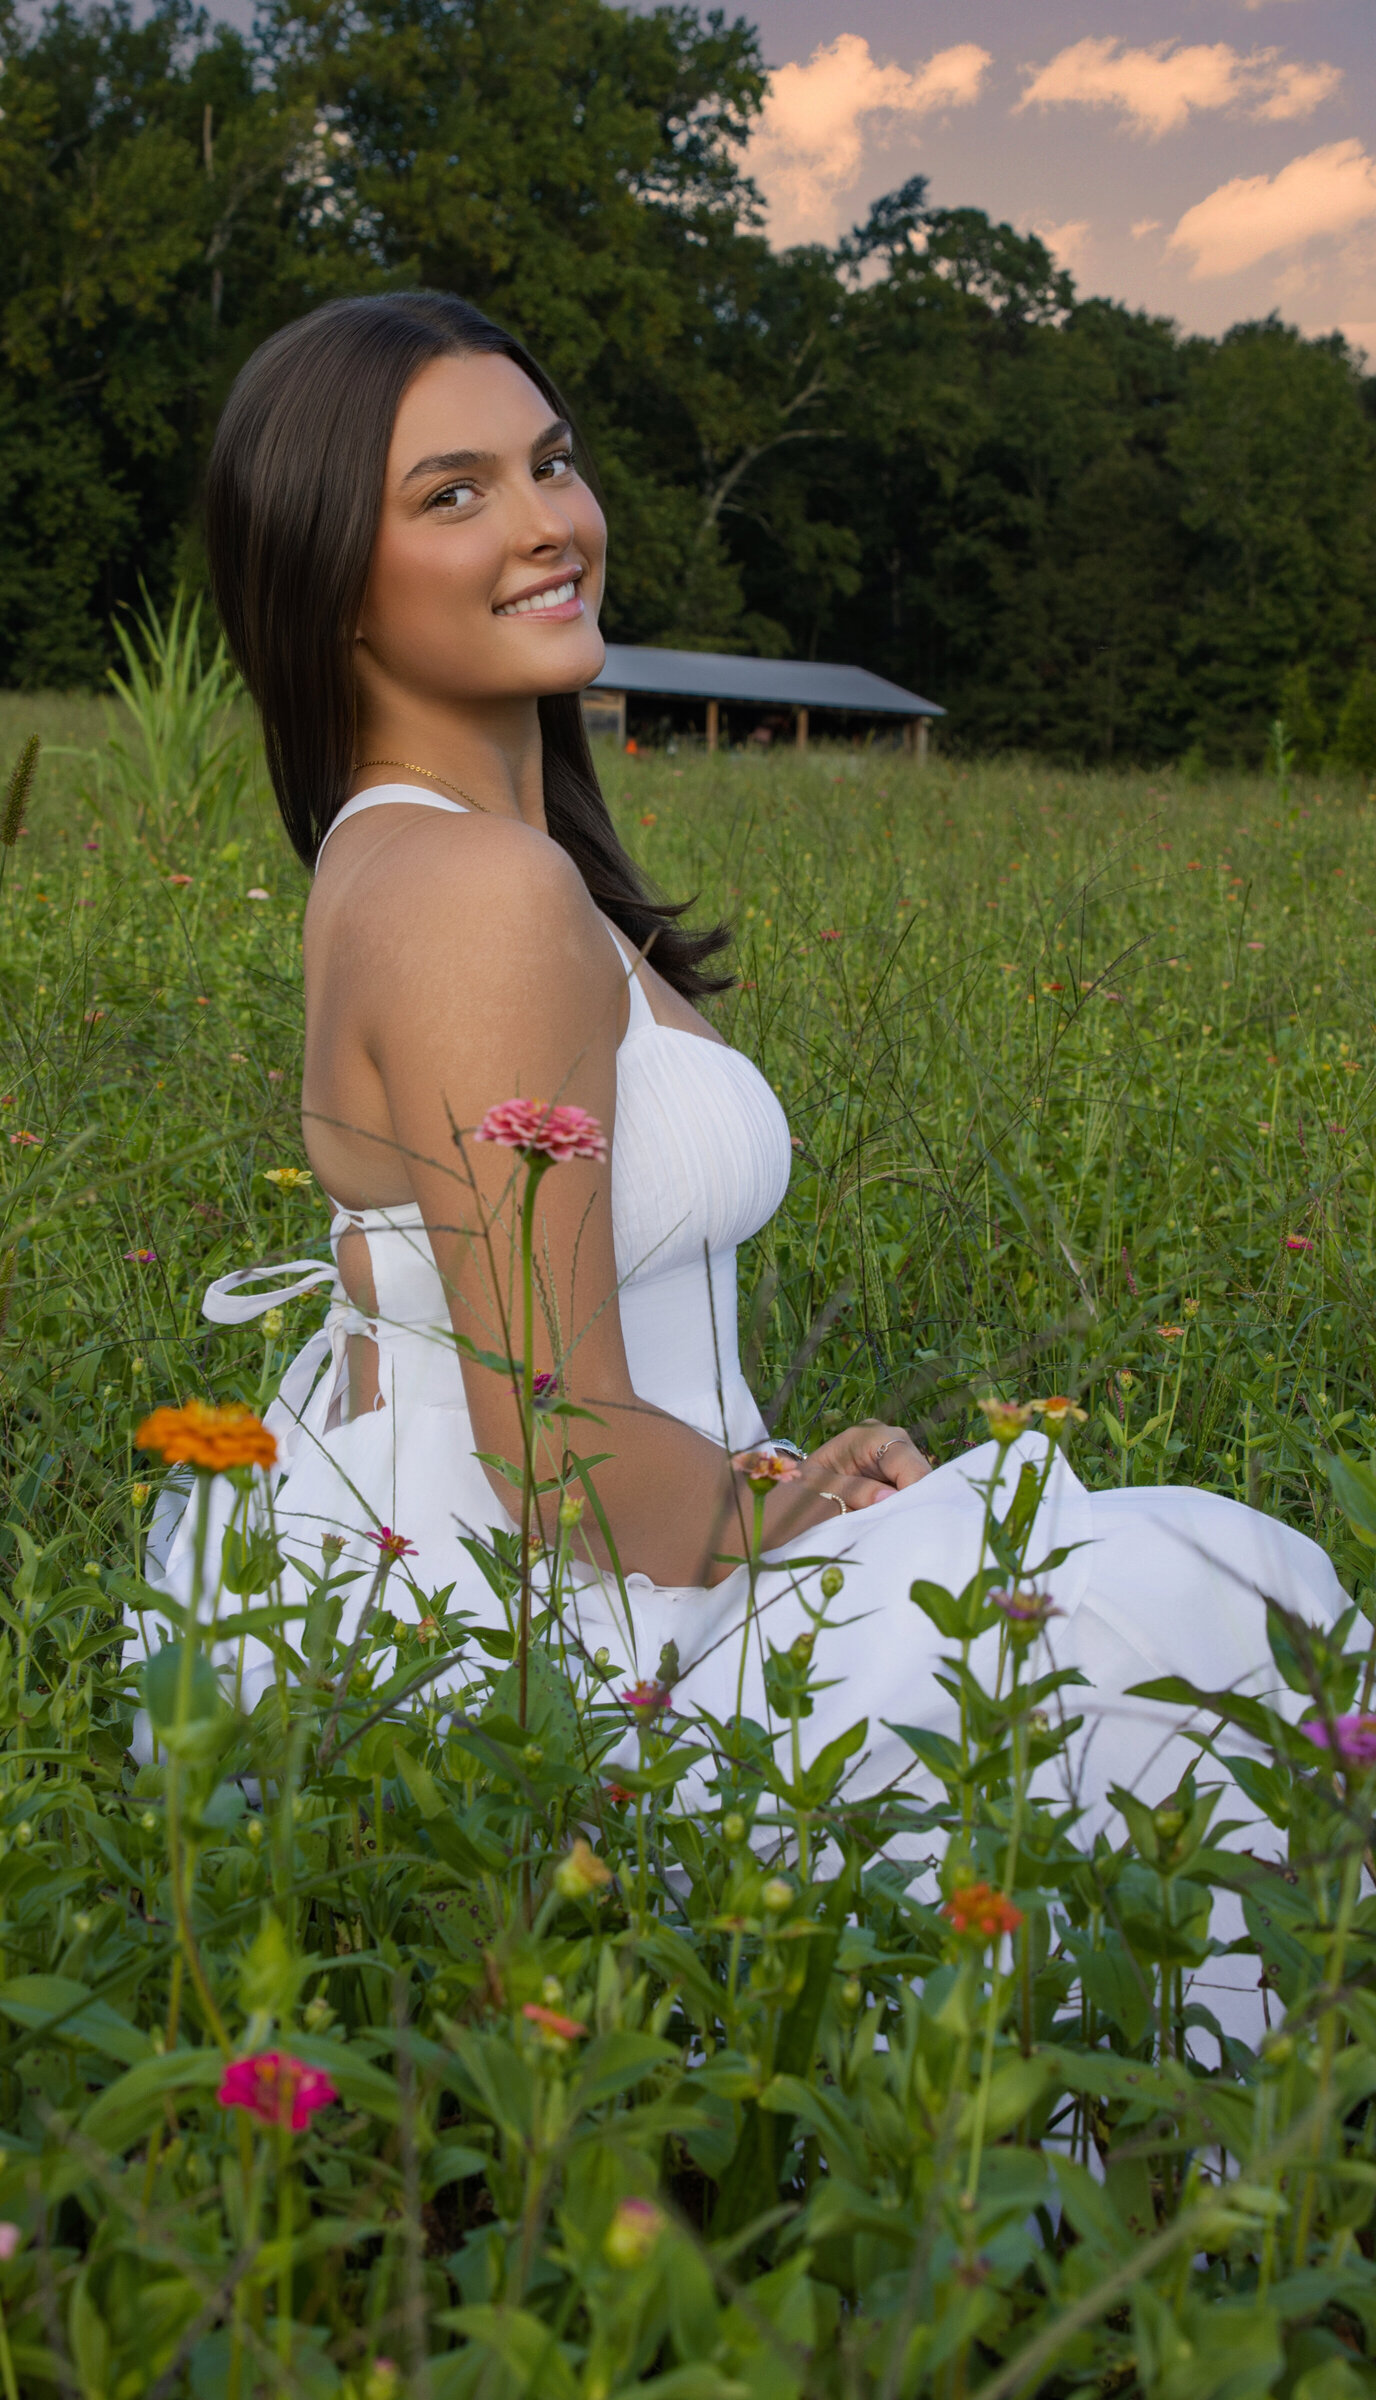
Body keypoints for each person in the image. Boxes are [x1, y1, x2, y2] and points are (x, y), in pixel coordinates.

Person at [134, 293, 1343, 1990]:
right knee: (1181, 1609)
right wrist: (787, 1513)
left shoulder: (457, 855)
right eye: (454, 493)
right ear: (327, 573)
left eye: (550, 463)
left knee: (1157, 1618)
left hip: (604, 1530)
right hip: (540, 1611)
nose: (550, 522)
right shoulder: (477, 890)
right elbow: (547, 1445)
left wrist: (786, 1482)